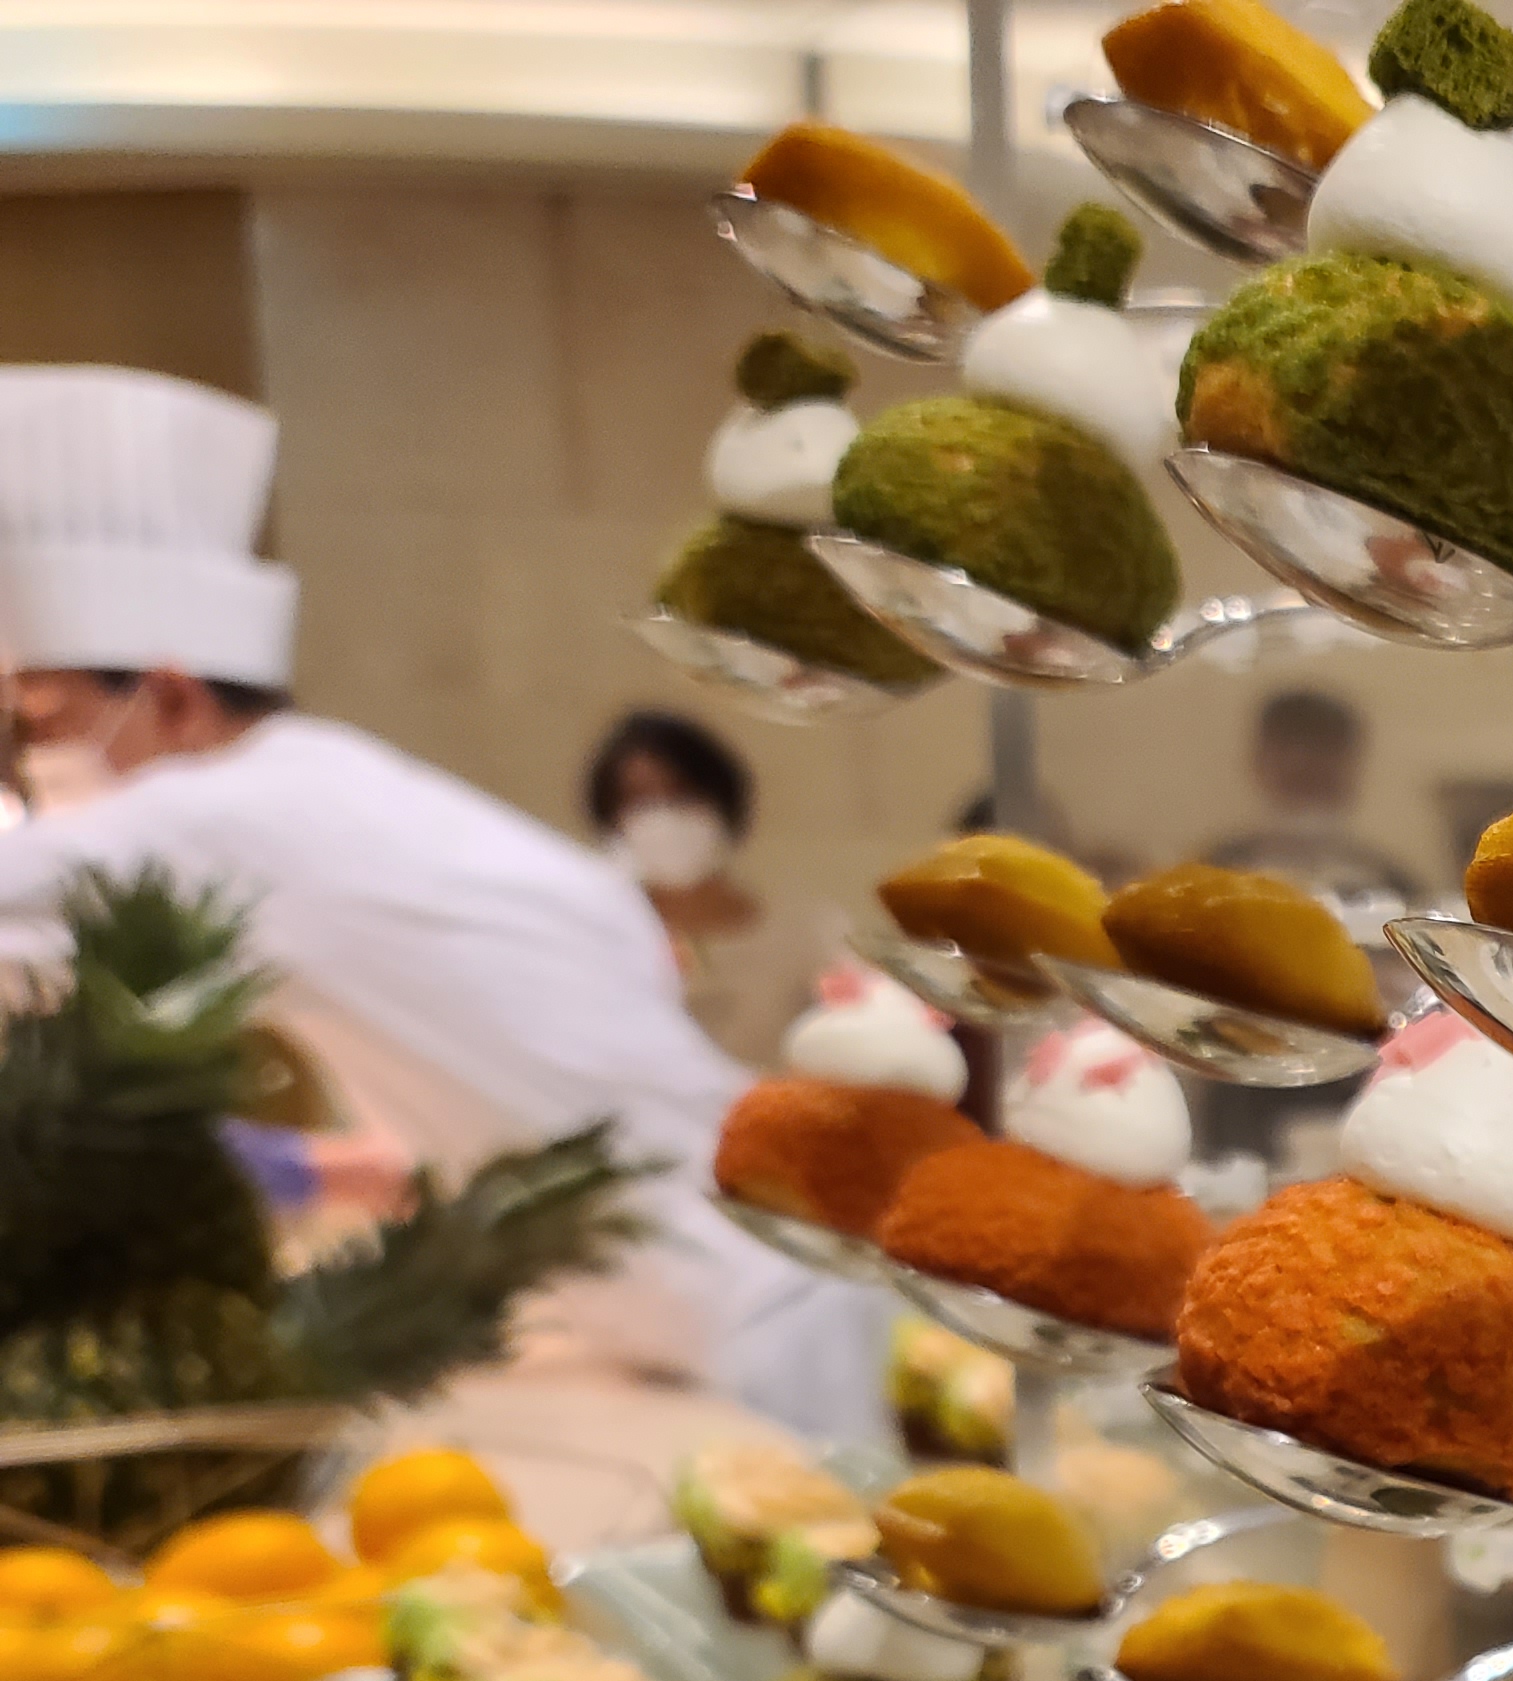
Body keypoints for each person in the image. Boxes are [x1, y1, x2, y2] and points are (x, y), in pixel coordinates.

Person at [0, 364, 882, 1433]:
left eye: (40, 721)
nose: (32, 761)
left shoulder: (227, 814)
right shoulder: (337, 785)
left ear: (174, 697)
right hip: (755, 1276)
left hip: (756, 1319)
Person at [583, 704, 825, 1072]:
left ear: (721, 801)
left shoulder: (809, 937)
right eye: (638, 800)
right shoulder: (599, 941)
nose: (661, 815)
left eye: (680, 795)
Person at [1203, 687, 1418, 902]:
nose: (1304, 762)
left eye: (1325, 747)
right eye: (1287, 745)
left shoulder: (1397, 887)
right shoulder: (1209, 877)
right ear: (1258, 759)